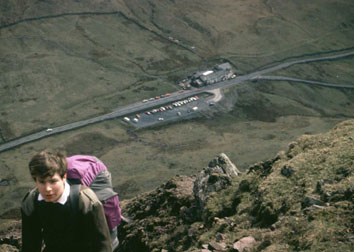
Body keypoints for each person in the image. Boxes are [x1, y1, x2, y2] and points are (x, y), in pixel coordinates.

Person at [21, 149, 113, 252]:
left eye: (53, 181)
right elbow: (30, 244)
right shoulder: (31, 202)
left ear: (64, 177)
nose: (48, 189)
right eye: (42, 182)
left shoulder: (86, 201)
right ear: (35, 180)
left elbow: (102, 245)